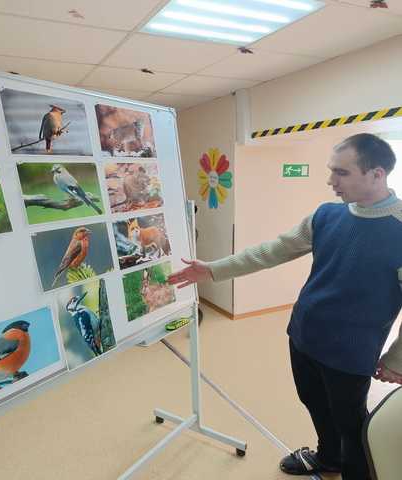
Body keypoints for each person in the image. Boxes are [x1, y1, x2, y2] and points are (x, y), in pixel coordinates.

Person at [168, 133, 402, 480]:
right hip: (304, 335)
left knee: (351, 425)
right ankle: (328, 458)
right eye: (331, 170)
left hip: (350, 353)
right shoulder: (326, 215)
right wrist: (213, 270)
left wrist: (397, 359)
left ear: (377, 174)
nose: (330, 181)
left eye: (341, 172)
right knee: (313, 402)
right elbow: (272, 251)